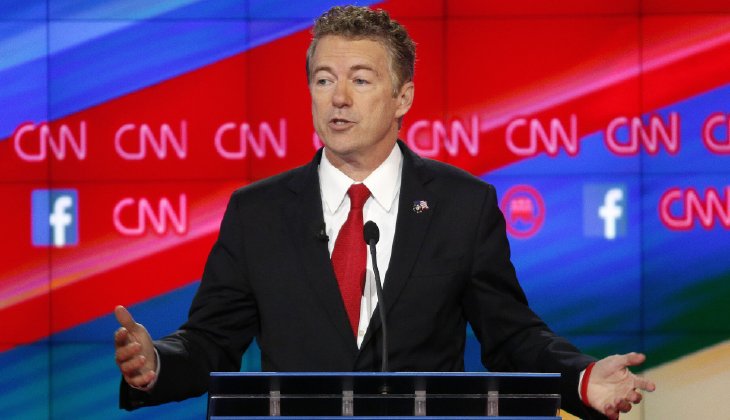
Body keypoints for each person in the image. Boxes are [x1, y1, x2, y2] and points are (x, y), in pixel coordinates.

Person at [114, 6, 654, 419]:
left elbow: (511, 336)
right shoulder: (258, 212)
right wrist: (156, 362)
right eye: (324, 79)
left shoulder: (462, 206)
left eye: (360, 79)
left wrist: (580, 379)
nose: (338, 98)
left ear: (403, 98)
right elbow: (211, 341)